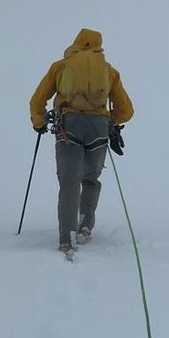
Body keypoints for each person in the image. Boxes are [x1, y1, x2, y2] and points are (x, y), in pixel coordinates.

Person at [29, 28, 134, 255]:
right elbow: (126, 110)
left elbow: (38, 99)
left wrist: (39, 121)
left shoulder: (61, 67)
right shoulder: (109, 71)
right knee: (90, 179)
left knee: (69, 183)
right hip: (98, 129)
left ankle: (66, 238)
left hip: (69, 126)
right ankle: (85, 226)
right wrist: (112, 120)